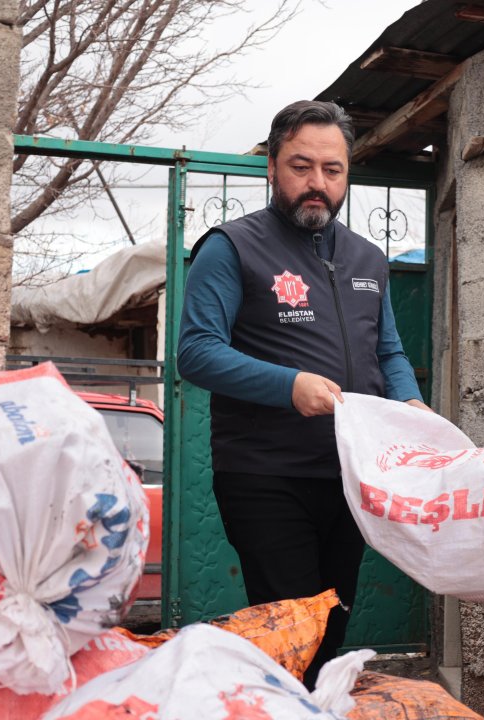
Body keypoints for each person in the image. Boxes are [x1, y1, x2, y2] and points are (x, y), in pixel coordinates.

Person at [177, 100, 429, 688]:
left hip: (350, 475)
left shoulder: (368, 257)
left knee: (334, 625)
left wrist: (409, 400)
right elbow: (197, 351)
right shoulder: (230, 248)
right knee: (291, 625)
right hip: (266, 474)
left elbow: (386, 351)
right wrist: (288, 386)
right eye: (301, 166)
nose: (318, 183)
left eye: (333, 169)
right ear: (270, 166)